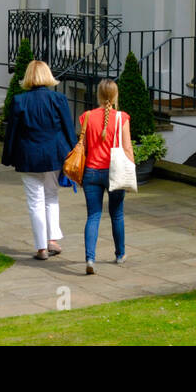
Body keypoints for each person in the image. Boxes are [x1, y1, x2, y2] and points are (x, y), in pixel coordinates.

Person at [2, 59, 76, 259]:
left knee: (35, 201)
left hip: (29, 157)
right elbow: (69, 129)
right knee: (51, 195)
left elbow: (12, 133)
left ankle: (42, 247)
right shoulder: (58, 99)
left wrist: (7, 156)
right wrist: (75, 151)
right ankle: (52, 240)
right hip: (54, 155)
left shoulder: (20, 101)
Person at [80, 78, 133, 275]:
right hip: (115, 172)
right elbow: (127, 148)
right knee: (117, 214)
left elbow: (83, 146)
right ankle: (120, 254)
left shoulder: (86, 117)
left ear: (99, 96)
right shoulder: (122, 118)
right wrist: (131, 171)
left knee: (93, 215)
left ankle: (90, 258)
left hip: (91, 172)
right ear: (115, 95)